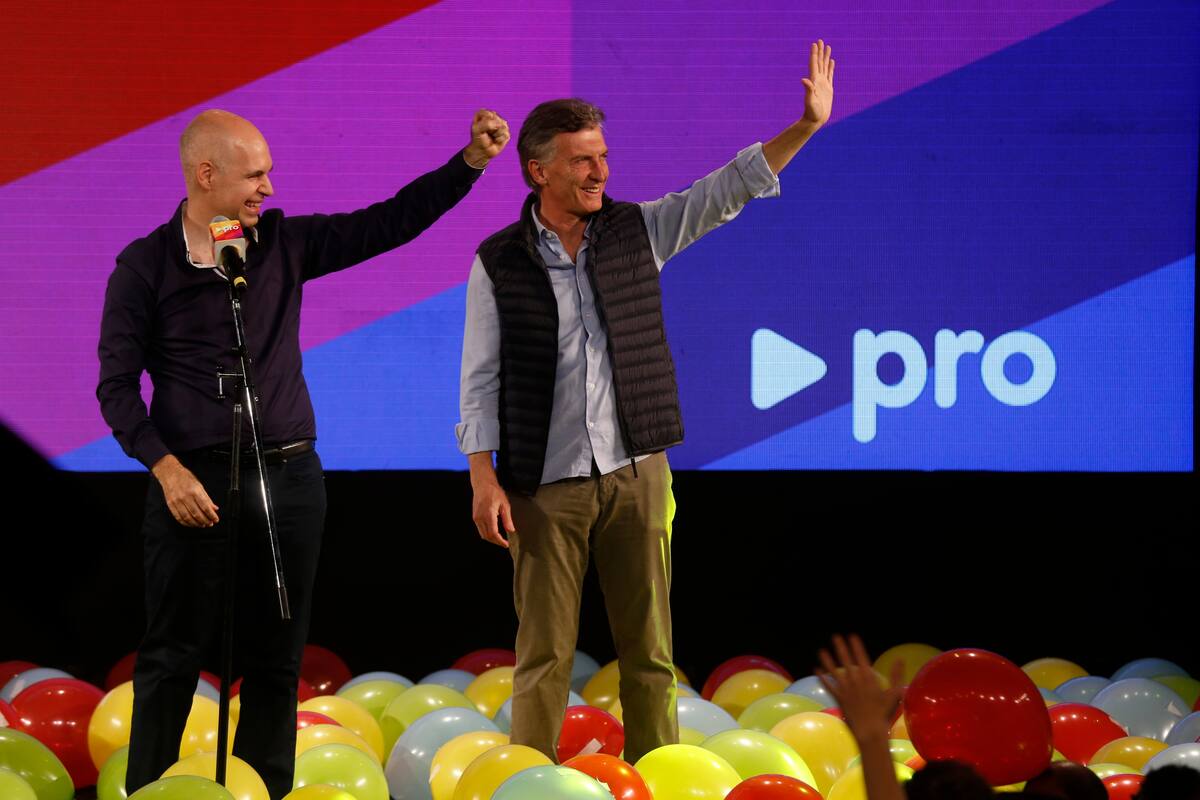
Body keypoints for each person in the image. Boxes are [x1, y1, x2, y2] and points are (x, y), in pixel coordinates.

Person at [98, 107, 509, 798]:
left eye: (268, 172)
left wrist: (467, 162)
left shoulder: (283, 245)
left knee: (276, 659)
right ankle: (150, 791)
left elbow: (391, 221)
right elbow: (116, 385)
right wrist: (165, 470)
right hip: (190, 484)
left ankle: (268, 791)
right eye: (254, 173)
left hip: (288, 480)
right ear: (206, 174)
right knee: (171, 656)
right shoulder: (145, 266)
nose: (268, 186)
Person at [457, 42, 835, 763]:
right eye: (581, 160)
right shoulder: (497, 261)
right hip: (544, 482)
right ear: (539, 171)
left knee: (651, 654)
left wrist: (805, 126)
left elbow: (723, 193)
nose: (600, 170)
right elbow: (480, 376)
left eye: (602, 155)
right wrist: (483, 475)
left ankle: (658, 774)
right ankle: (527, 778)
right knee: (542, 659)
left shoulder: (636, 230)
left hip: (638, 473)